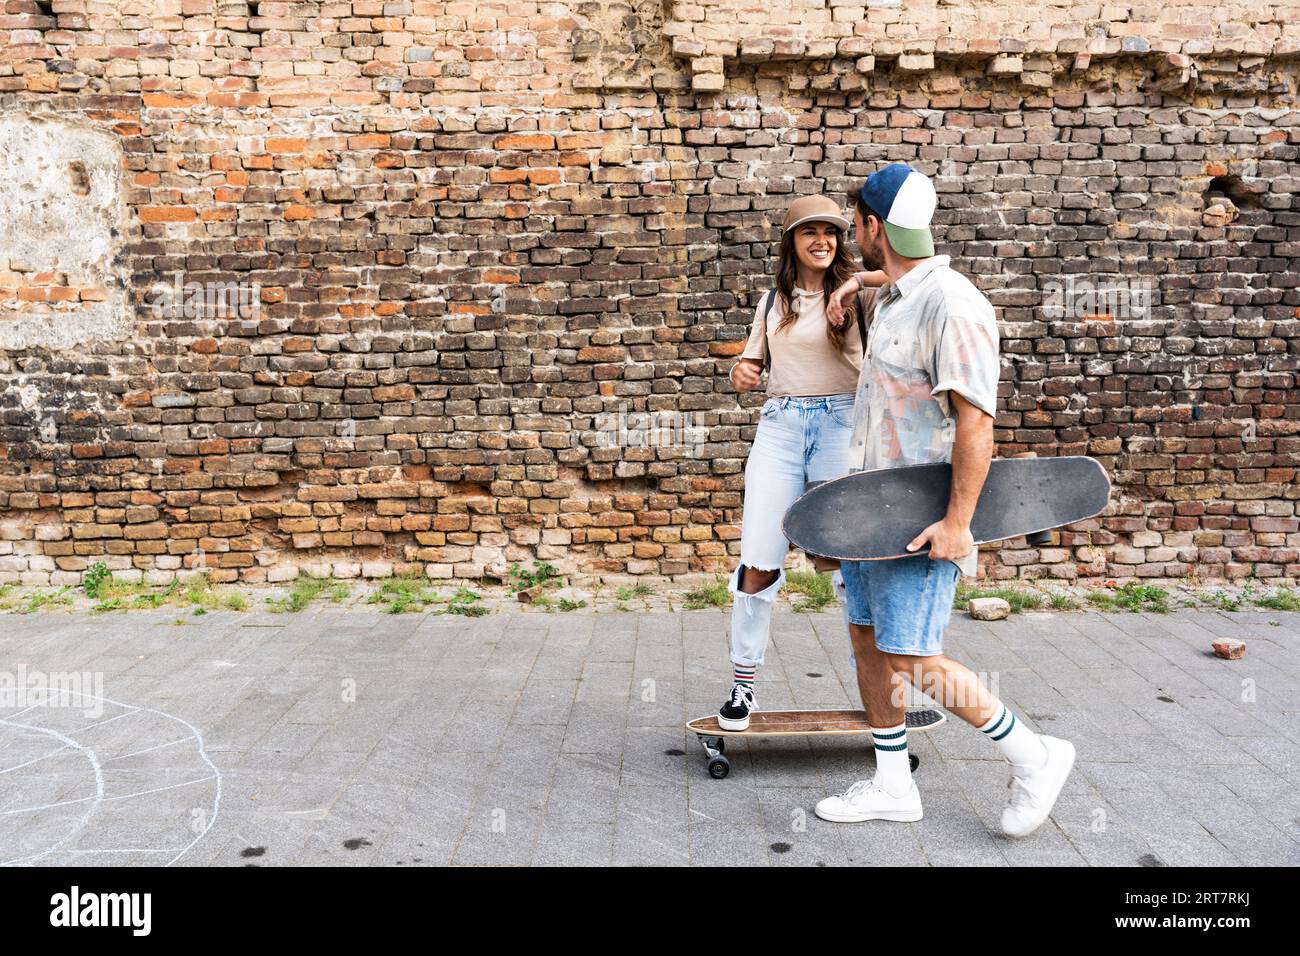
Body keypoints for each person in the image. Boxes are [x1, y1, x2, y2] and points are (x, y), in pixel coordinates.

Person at [814, 163, 1075, 837]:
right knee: (868, 641)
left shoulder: (953, 306)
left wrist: (958, 523)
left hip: (922, 517)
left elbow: (976, 422)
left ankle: (1034, 755)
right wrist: (860, 279)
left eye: (857, 232)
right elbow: (894, 277)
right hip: (869, 511)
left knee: (911, 656)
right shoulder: (898, 291)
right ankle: (893, 785)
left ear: (875, 227)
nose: (854, 243)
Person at [720, 195, 887, 731]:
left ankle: (878, 687)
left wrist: (857, 282)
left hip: (842, 426)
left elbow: (918, 276)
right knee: (759, 560)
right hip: (781, 428)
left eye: (832, 232)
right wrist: (742, 375)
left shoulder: (859, 296)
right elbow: (750, 366)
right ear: (791, 241)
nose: (822, 241)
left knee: (848, 563)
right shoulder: (772, 303)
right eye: (809, 232)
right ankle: (743, 687)